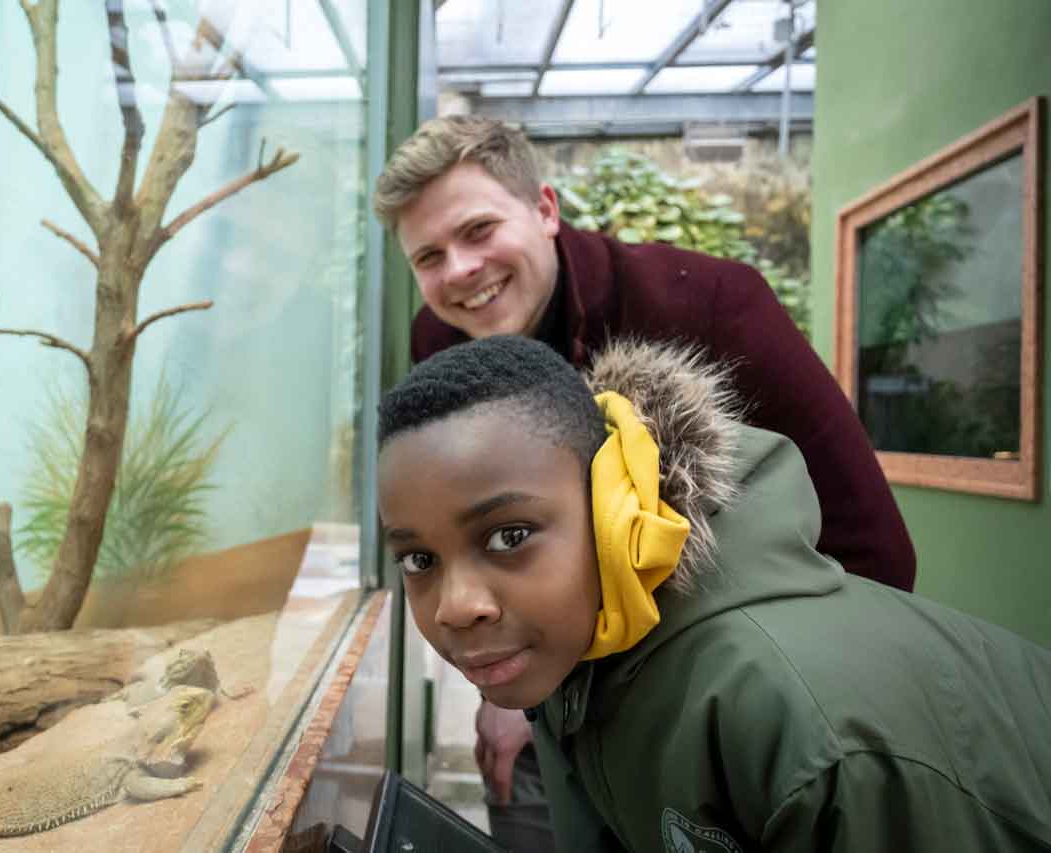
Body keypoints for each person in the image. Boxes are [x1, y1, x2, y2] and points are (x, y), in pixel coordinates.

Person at [371, 114, 917, 844]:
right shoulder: (439, 341)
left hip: (728, 700)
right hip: (559, 685)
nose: (460, 272)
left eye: (477, 231)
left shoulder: (709, 304)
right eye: (429, 256)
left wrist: (805, 734)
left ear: (545, 209)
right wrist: (508, 681)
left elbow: (873, 546)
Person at [376, 334, 1051, 853]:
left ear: (616, 504)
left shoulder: (812, 734)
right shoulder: (571, 661)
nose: (454, 605)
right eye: (419, 557)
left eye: (509, 534)